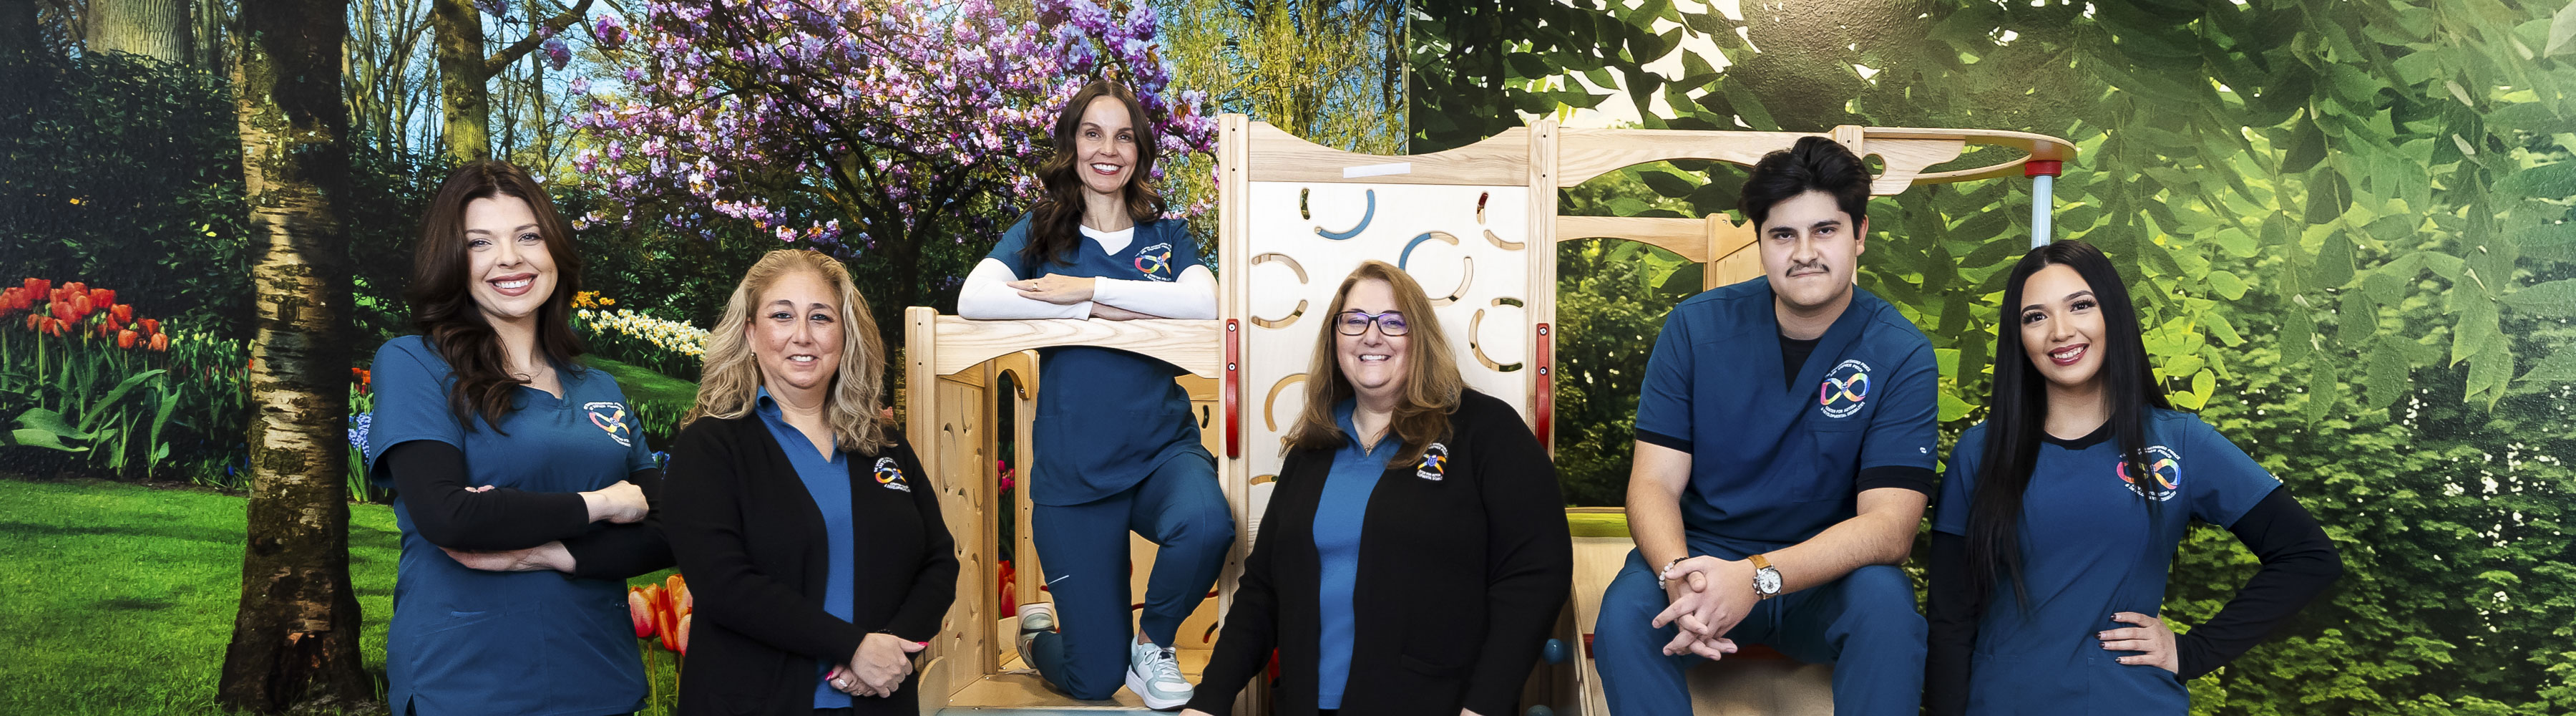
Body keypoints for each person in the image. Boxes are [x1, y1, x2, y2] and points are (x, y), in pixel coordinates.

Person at [1591, 136, 1938, 715]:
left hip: (1822, 579)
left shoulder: (1900, 353)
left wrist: (1755, 579)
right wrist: (1680, 576)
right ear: (1761, 243)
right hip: (1702, 560)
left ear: (1860, 235)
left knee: (1887, 608)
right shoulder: (1695, 330)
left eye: (1825, 230)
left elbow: (1889, 529)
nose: (1804, 252)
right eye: (1783, 235)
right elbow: (1654, 483)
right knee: (1625, 619)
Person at [1923, 240, 2341, 715]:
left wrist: (2192, 651)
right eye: (2035, 317)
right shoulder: (1981, 452)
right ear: (2018, 338)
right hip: (2001, 703)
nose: (2061, 331)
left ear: (2113, 316)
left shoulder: (2180, 443)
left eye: (2081, 306)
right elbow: (1950, 619)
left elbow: (2308, 556)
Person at [1180, 261, 1571, 716]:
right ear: (1336, 337)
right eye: (1355, 320)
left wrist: (1483, 706)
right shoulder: (1312, 450)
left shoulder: (1486, 432)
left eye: (1393, 321)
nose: (1372, 336)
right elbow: (1262, 591)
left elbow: (1536, 574)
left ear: (1419, 337)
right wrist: (1208, 702)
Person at [955, 79, 1231, 710]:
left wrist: (1084, 292)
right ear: (1072, 145)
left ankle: (1154, 645)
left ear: (1140, 152)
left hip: (1162, 452)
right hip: (1074, 477)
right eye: (1093, 133)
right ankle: (1036, 641)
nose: (1109, 150)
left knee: (1209, 521)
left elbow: (1202, 303)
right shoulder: (1040, 234)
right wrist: (1092, 319)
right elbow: (974, 299)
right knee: (1093, 679)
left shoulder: (1166, 237)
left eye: (1124, 136)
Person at [364, 160, 673, 716]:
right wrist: (604, 504)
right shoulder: (413, 363)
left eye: (528, 236)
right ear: (453, 262)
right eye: (479, 243)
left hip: (599, 673)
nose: (510, 258)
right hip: (468, 682)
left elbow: (669, 530)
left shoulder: (599, 386)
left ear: (554, 250)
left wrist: (556, 554)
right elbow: (449, 518)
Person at [661, 249, 960, 715]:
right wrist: (854, 646)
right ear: (751, 334)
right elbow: (725, 585)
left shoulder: (883, 443)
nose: (802, 335)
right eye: (782, 315)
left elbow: (939, 562)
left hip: (880, 701)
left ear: (845, 336)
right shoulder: (710, 446)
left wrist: (894, 653)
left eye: (821, 317)